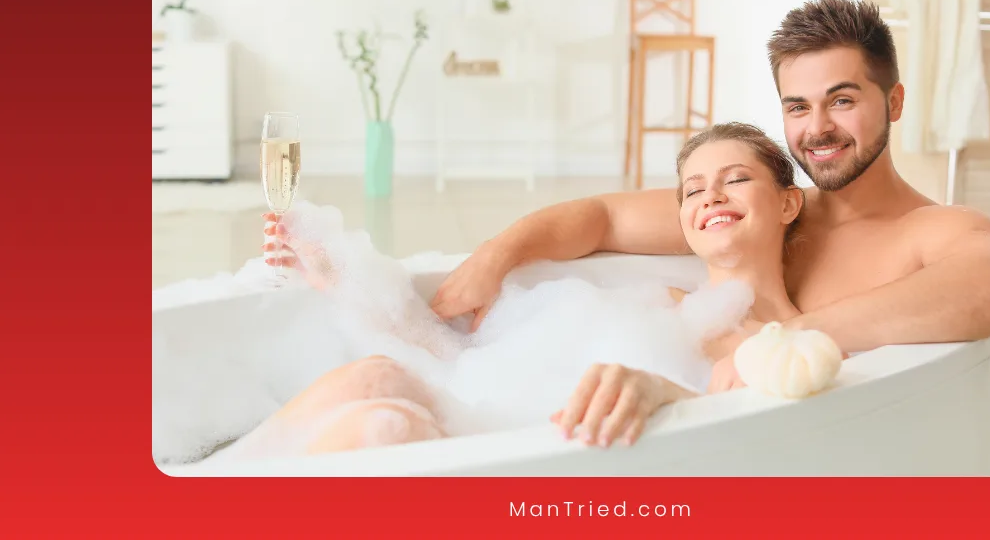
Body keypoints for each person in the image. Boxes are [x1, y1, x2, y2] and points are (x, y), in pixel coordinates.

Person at [429, 0, 990, 357]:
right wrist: (495, 255)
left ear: (895, 102)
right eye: (797, 106)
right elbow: (603, 218)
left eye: (842, 100)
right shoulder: (765, 210)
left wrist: (778, 341)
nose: (817, 127)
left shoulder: (928, 229)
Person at [215, 122, 821, 460]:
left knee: (388, 426)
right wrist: (335, 277)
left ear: (790, 201)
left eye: (735, 180)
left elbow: (729, 449)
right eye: (692, 190)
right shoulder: (654, 302)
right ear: (684, 223)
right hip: (496, 425)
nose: (709, 196)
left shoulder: (775, 346)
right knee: (374, 376)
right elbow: (462, 364)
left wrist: (663, 392)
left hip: (539, 471)